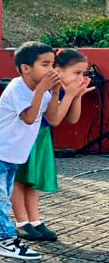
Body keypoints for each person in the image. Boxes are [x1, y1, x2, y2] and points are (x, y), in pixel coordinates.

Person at [0, 42, 89, 260]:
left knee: (1, 196)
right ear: (25, 68)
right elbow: (29, 117)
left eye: (52, 65)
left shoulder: (45, 92)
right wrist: (41, 90)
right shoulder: (17, 88)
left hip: (13, 155)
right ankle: (7, 241)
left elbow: (54, 119)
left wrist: (56, 92)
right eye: (45, 65)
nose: (51, 70)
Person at [12, 49, 92, 243]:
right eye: (76, 72)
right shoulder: (45, 88)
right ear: (57, 70)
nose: (81, 78)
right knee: (19, 179)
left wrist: (77, 96)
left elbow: (72, 119)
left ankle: (35, 221)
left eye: (83, 73)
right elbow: (53, 119)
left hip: (41, 137)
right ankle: (21, 222)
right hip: (23, 136)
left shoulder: (63, 89)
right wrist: (69, 95)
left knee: (32, 180)